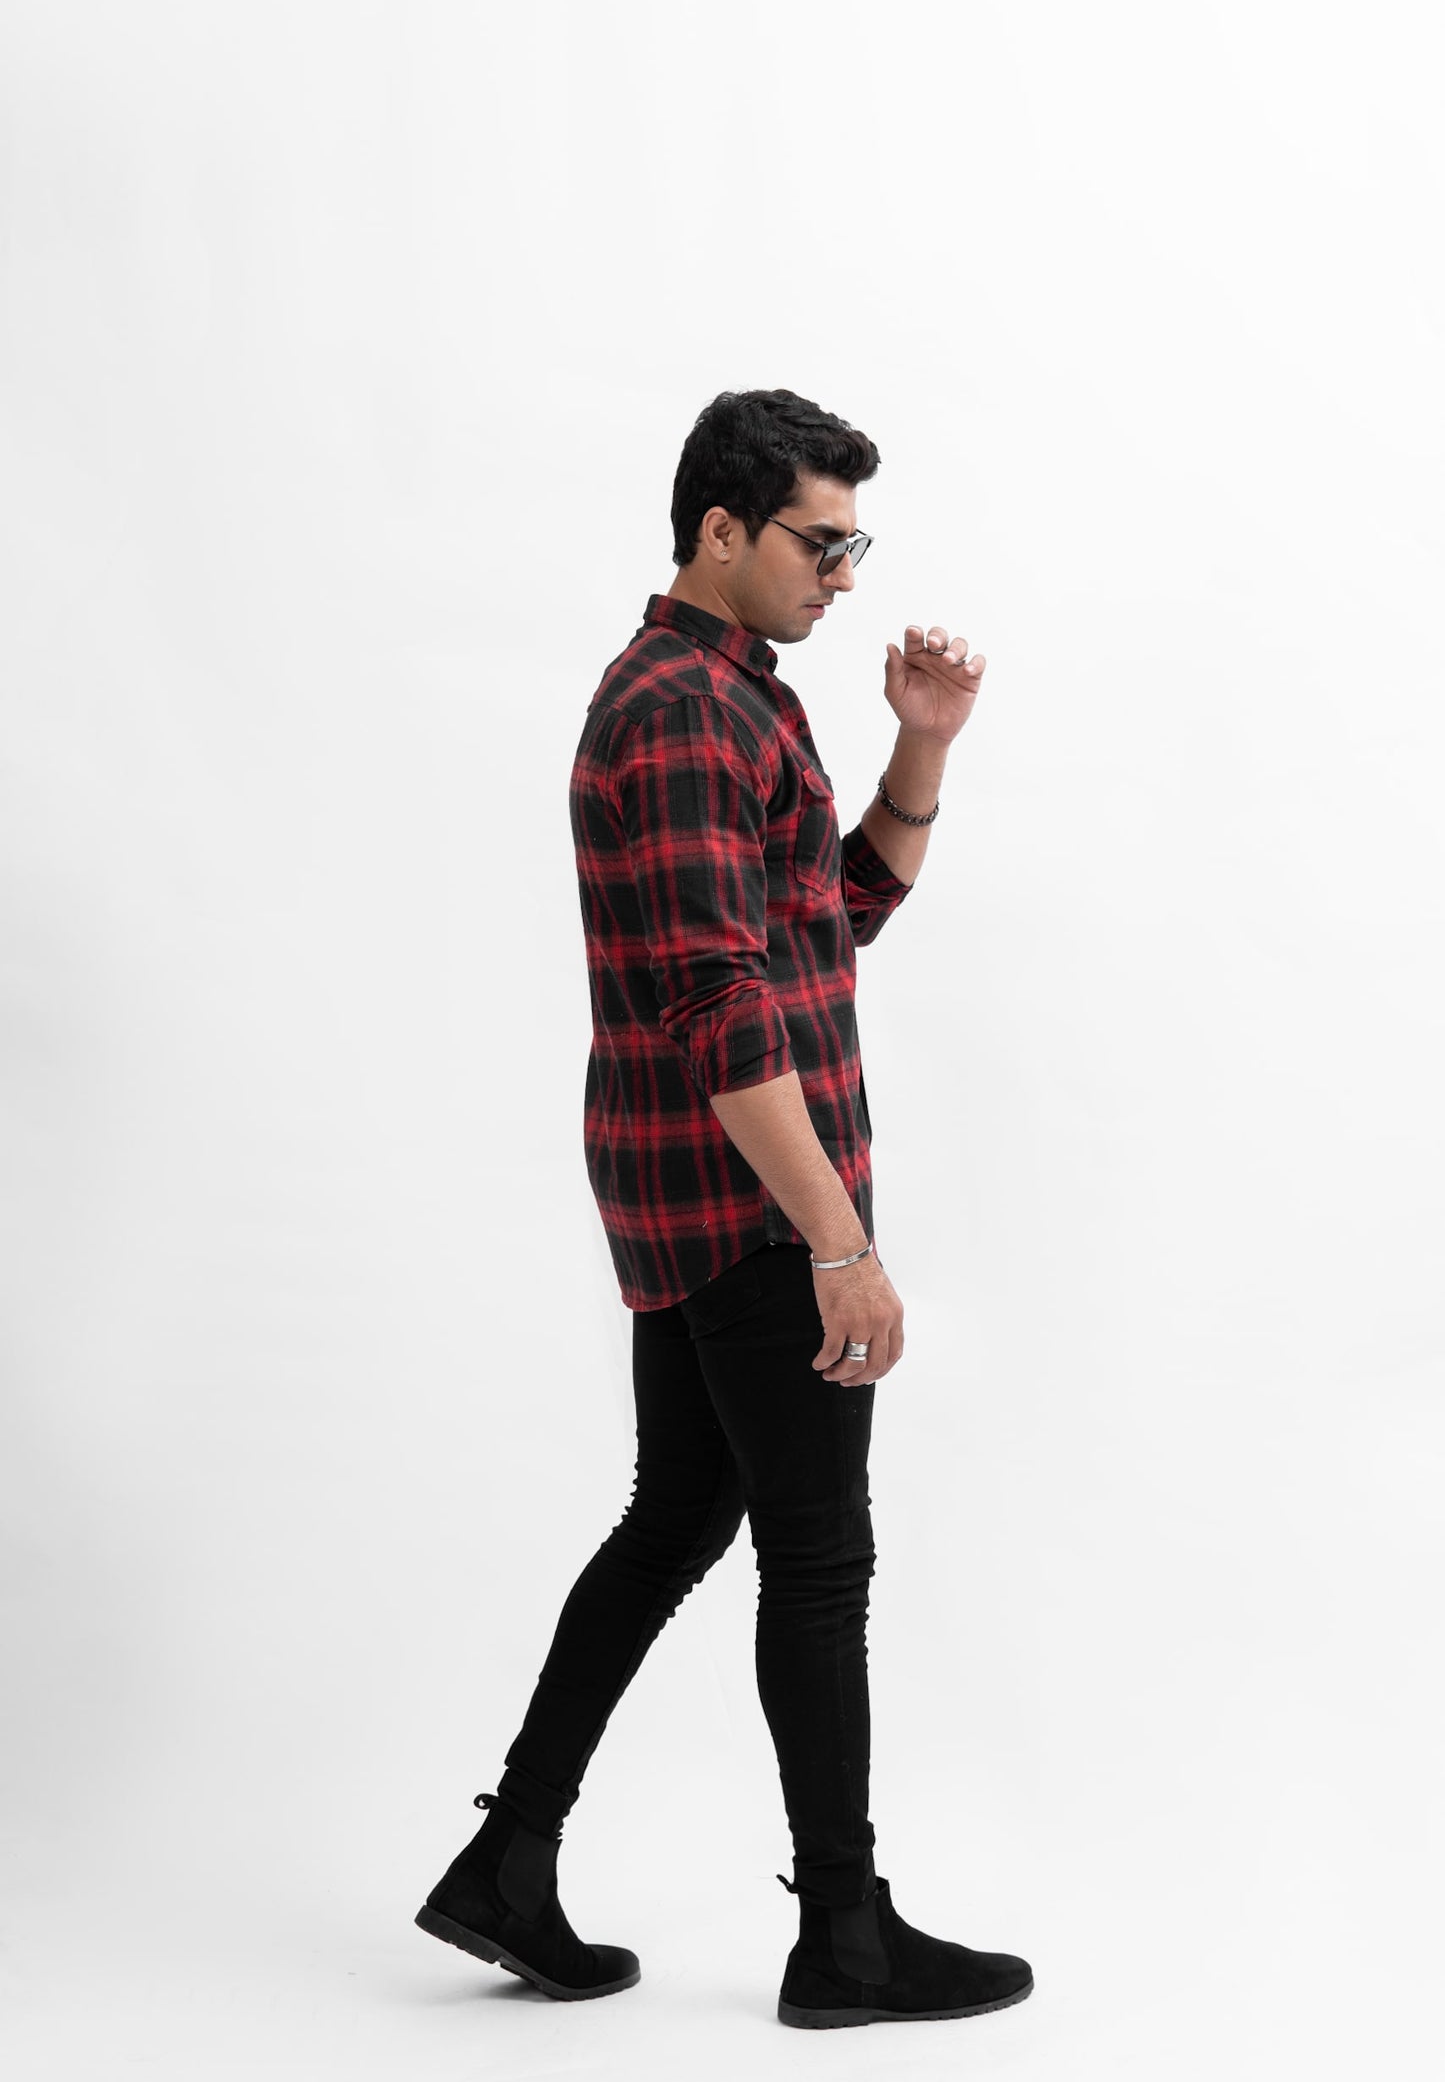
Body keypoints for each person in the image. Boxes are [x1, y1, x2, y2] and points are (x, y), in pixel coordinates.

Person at [415, 387, 1033, 2029]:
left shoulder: (731, 695)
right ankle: (845, 1939)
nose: (843, 573)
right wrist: (840, 1242)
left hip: (700, 1192)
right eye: (819, 542)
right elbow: (715, 1002)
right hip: (751, 1203)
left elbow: (829, 914)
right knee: (817, 1554)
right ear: (718, 529)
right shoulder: (685, 710)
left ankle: (505, 1861)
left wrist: (921, 743)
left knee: (679, 1516)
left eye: (853, 543)